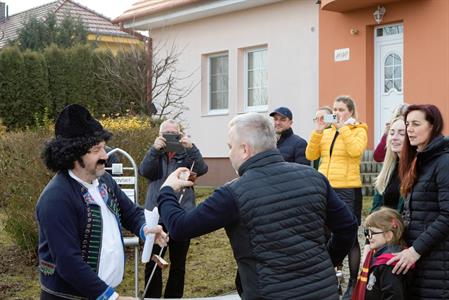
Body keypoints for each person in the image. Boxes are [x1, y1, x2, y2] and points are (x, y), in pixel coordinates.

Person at [157, 112, 358, 300]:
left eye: (230, 147)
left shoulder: (233, 193)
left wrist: (166, 191)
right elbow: (348, 226)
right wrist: (326, 261)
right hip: (323, 291)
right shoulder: (313, 177)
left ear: (245, 149)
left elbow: (179, 227)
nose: (229, 154)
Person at [36, 104, 167, 300]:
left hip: (103, 292)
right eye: (96, 149)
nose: (106, 156)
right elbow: (68, 263)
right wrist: (111, 297)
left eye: (104, 147)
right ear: (73, 154)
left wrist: (145, 229)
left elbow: (130, 212)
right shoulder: (55, 198)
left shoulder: (104, 180)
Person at [305, 95, 368, 300]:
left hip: (348, 189)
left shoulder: (359, 129)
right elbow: (311, 155)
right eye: (335, 109)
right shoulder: (327, 132)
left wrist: (343, 129)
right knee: (326, 233)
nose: (337, 113)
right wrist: (317, 132)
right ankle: (333, 279)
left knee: (349, 236)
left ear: (350, 111)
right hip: (326, 187)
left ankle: (352, 283)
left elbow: (355, 150)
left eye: (341, 109)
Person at [139, 119, 208, 299]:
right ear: (160, 135)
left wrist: (191, 148)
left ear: (180, 135)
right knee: (153, 262)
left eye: (174, 134)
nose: (170, 138)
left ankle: (173, 297)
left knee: (178, 264)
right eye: (166, 134)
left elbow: (201, 169)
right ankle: (152, 297)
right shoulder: (156, 154)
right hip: (156, 216)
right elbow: (144, 171)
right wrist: (154, 150)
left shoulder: (186, 154)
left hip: (181, 215)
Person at [387, 104, 449, 299]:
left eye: (416, 124)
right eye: (407, 124)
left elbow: (447, 215)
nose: (409, 130)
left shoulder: (444, 162)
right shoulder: (419, 160)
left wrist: (416, 250)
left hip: (438, 261)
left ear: (433, 126)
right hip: (419, 259)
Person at [352, 207, 409, 300]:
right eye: (367, 232)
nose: (368, 237)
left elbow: (393, 295)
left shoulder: (389, 264)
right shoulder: (377, 255)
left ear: (388, 235)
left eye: (371, 233)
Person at [371, 116, 406, 213]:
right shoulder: (388, 168)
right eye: (391, 133)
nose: (394, 138)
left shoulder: (418, 168)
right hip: (383, 226)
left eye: (401, 133)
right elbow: (375, 207)